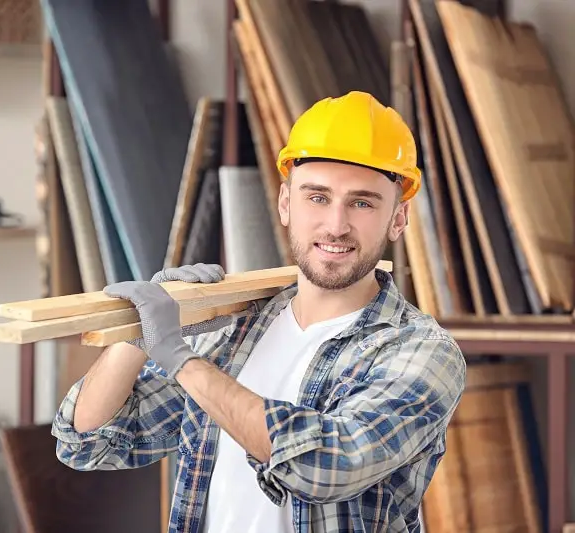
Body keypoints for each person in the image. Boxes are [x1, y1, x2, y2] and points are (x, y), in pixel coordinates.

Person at [51, 91, 466, 533]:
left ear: (398, 219)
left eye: (362, 202)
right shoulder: (235, 333)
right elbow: (87, 442)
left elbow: (326, 465)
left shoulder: (421, 352)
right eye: (318, 197)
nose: (336, 224)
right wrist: (137, 336)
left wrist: (179, 358)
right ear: (286, 204)